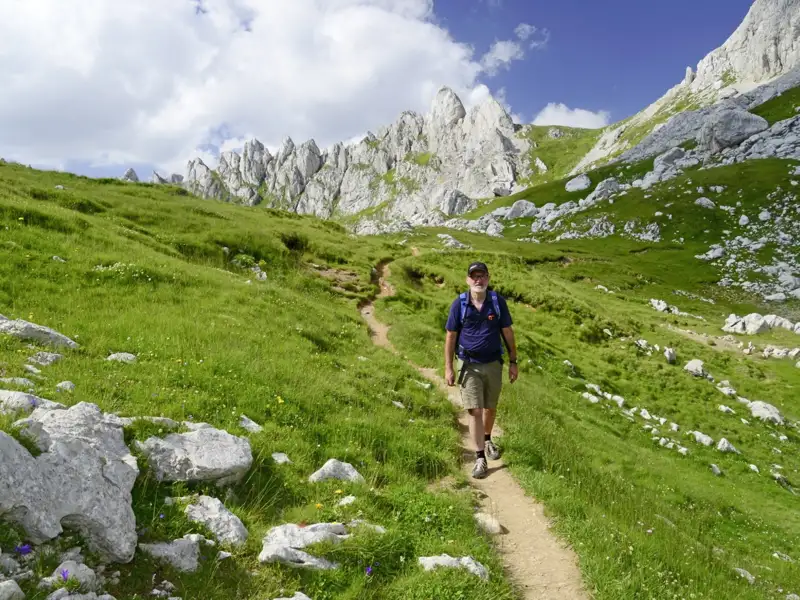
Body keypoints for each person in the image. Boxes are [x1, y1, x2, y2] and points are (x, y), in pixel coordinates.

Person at [444, 261, 518, 479]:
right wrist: (448, 367)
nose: (478, 280)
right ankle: (479, 458)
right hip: (469, 365)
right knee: (474, 410)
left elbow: (508, 332)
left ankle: (487, 440)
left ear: (488, 278)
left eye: (482, 276)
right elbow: (451, 336)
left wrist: (514, 361)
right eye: (474, 276)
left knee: (490, 408)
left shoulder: (497, 302)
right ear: (468, 280)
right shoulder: (459, 304)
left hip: (494, 363)